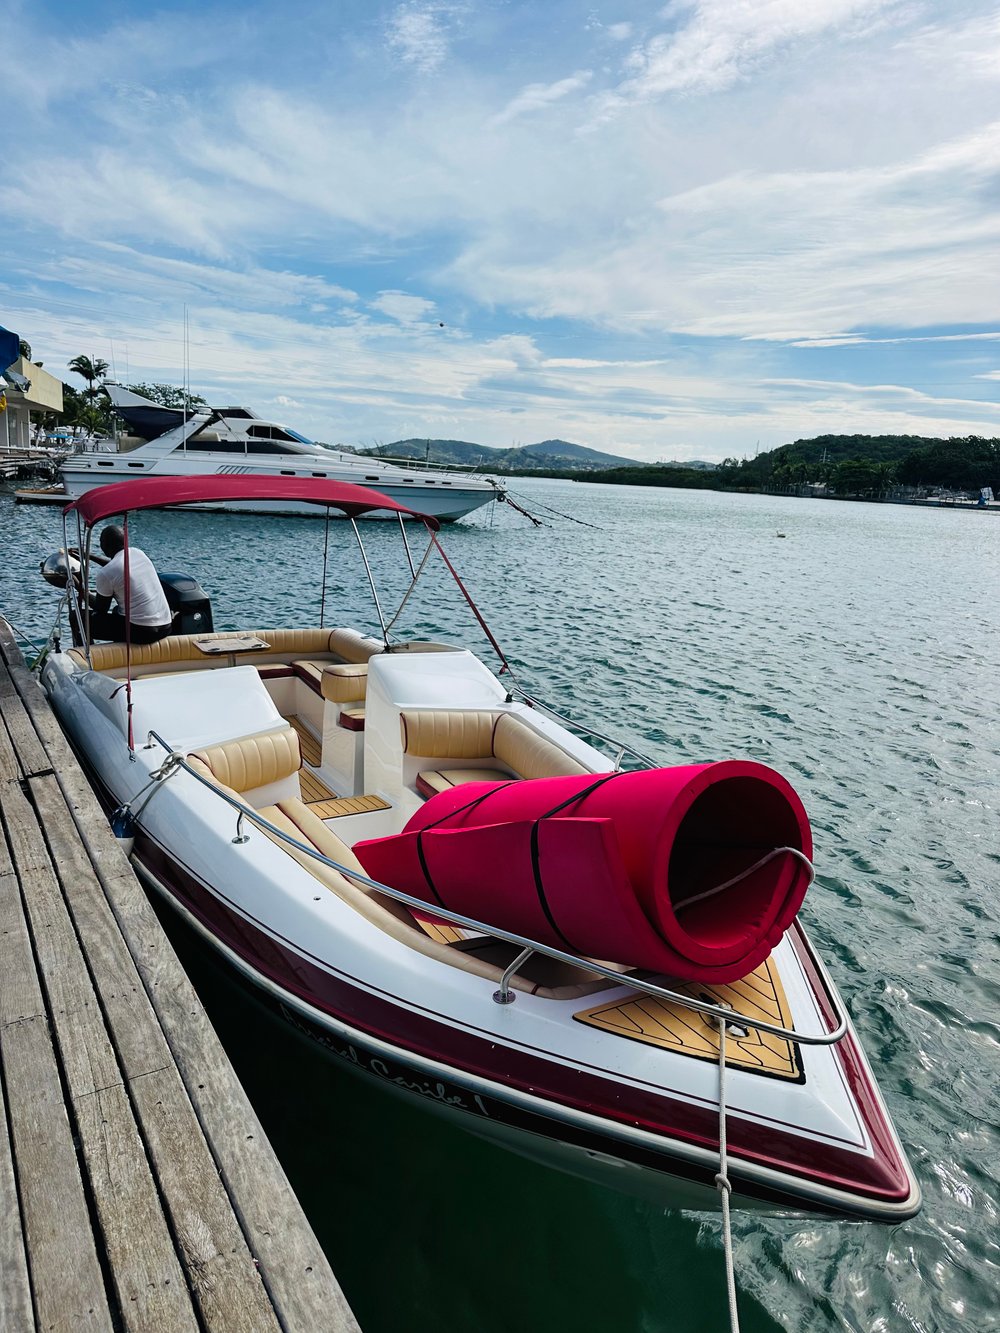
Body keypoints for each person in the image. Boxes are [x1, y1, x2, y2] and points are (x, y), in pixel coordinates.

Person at [89, 525, 173, 644]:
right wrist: (90, 557)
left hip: (143, 632)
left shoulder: (106, 573)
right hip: (166, 627)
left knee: (78, 619)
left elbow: (100, 609)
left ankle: (86, 658)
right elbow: (118, 569)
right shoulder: (138, 553)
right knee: (117, 611)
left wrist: (79, 588)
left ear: (104, 546)